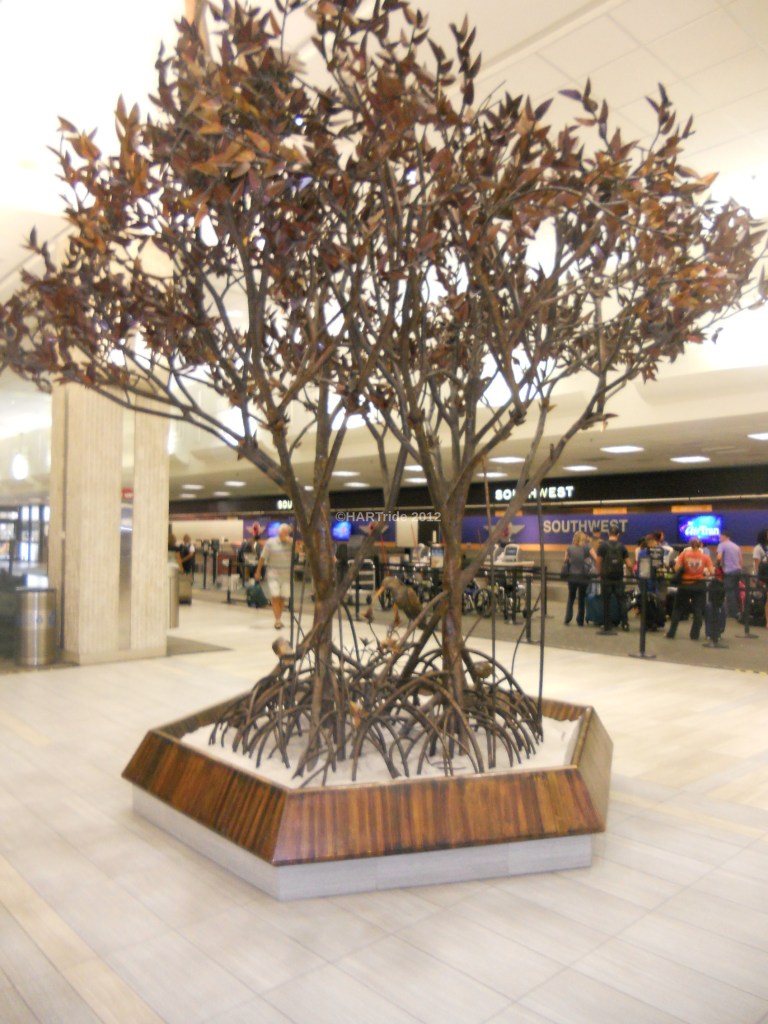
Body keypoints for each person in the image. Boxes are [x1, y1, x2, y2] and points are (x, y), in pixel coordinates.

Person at [665, 537, 713, 640]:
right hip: (699, 585)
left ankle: (671, 633)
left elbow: (676, 568)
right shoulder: (705, 557)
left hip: (685, 585)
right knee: (698, 610)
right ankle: (694, 635)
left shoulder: (684, 554)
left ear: (690, 545)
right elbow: (712, 571)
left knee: (677, 609)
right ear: (700, 545)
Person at [594, 527, 633, 633]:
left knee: (606, 601)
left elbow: (598, 561)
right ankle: (625, 623)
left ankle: (607, 624)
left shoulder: (603, 546)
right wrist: (633, 573)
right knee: (621, 601)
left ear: (608, 534)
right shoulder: (622, 547)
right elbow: (629, 564)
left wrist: (599, 574)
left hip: (606, 577)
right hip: (618, 577)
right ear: (618, 534)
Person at [255, 524, 294, 629]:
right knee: (275, 596)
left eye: (288, 532)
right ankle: (277, 620)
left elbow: (300, 550)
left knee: (283, 597)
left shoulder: (291, 542)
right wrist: (258, 571)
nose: (286, 534)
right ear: (279, 532)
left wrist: (292, 542)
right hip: (273, 574)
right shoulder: (270, 543)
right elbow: (262, 558)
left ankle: (279, 618)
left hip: (286, 575)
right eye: (284, 532)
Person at [562, 530, 593, 626]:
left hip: (572, 576)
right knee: (581, 598)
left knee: (571, 597)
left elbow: (565, 560)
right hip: (583, 576)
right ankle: (580, 620)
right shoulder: (586, 547)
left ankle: (568, 618)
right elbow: (595, 557)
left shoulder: (569, 548)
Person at [716, 527, 743, 619]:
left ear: (724, 537)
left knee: (729, 592)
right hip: (738, 571)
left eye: (720, 537)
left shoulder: (722, 545)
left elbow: (719, 557)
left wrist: (717, 565)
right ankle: (740, 611)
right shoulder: (736, 546)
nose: (719, 538)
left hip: (729, 571)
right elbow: (741, 561)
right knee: (736, 591)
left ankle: (734, 613)